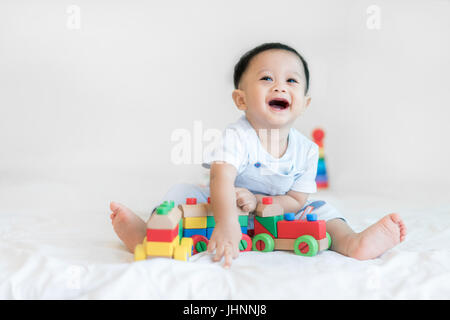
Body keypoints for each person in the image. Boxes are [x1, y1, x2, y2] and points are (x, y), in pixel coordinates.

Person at [110, 42, 407, 268]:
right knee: (181, 194)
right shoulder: (238, 136)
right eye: (266, 78)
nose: (280, 85)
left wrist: (266, 203)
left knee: (322, 212)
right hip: (222, 203)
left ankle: (352, 242)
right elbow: (220, 178)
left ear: (304, 103)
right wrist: (227, 224)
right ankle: (150, 234)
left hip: (277, 210)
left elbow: (297, 199)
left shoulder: (306, 150)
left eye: (291, 81)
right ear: (241, 99)